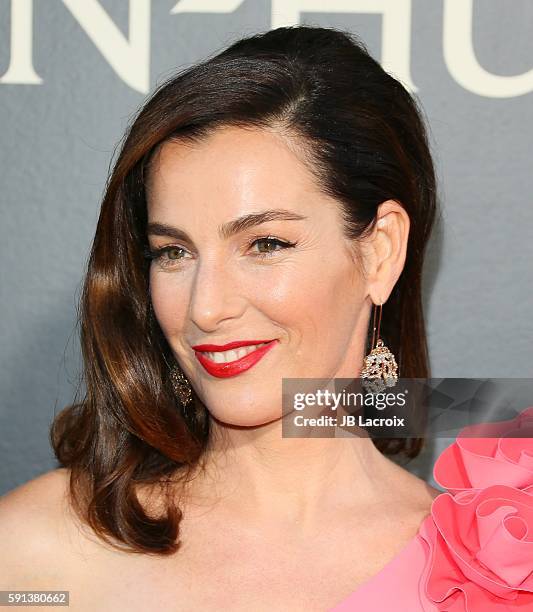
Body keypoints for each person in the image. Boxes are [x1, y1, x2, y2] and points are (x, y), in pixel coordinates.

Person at [1, 25, 532, 611]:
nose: (206, 307)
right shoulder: (39, 553)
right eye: (173, 252)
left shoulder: (492, 574)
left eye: (266, 244)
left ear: (380, 251)